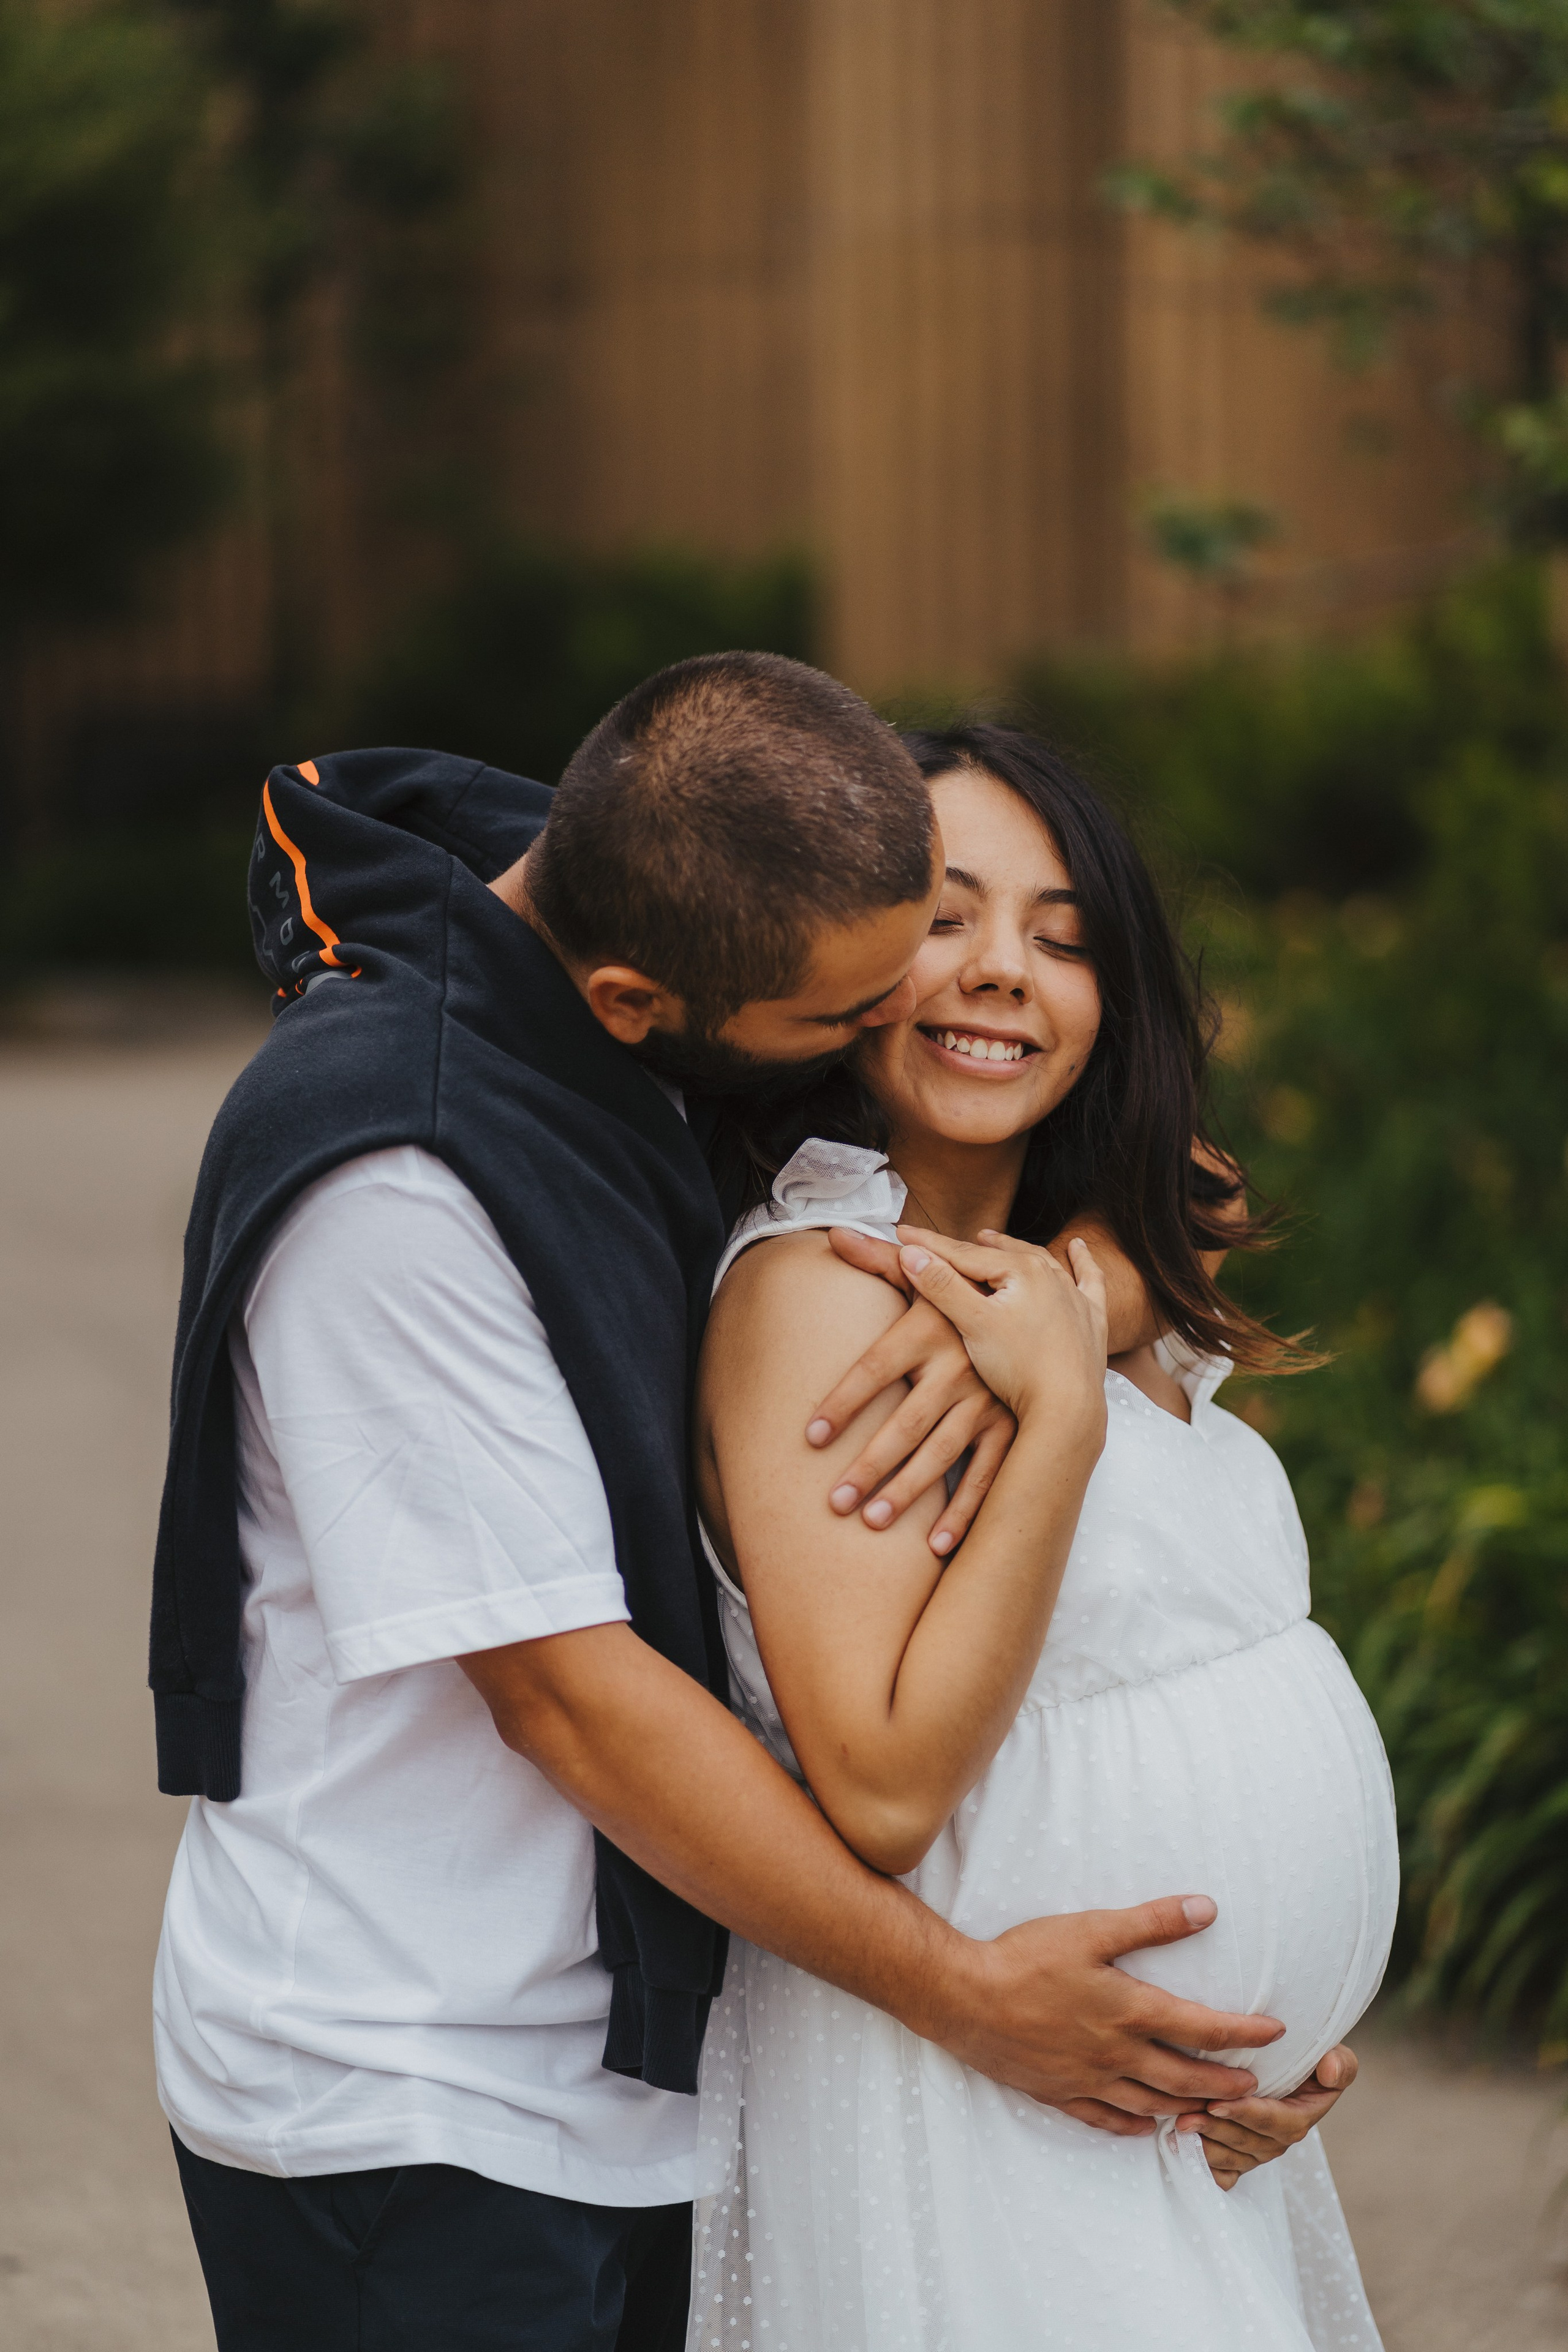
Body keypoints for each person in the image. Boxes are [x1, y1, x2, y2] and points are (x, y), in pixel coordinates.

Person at [149, 661, 1310, 2352]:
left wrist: (1092, 1281)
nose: (906, 1016)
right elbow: (574, 1700)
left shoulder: (680, 896)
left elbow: (1183, 1184)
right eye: (848, 1020)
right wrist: (976, 2004)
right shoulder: (397, 1182)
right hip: (418, 2092)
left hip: (666, 2070)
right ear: (641, 1008)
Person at [688, 723, 1398, 2351]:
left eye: (1064, 938)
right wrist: (1062, 1423)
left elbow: (1197, 1192)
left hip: (1168, 2123)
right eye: (944, 918)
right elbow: (875, 1784)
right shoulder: (819, 1294)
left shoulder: (1086, 1261)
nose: (1004, 971)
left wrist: (1283, 2031)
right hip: (974, 2105)